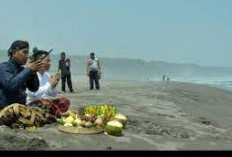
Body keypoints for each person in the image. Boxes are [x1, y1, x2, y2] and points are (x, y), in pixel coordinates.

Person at [26, 48, 70, 117]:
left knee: (65, 101)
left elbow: (53, 94)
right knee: (46, 103)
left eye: (50, 61)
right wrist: (50, 84)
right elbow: (35, 93)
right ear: (39, 62)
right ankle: (55, 113)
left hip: (44, 102)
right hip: (31, 103)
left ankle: (53, 112)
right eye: (48, 61)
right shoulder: (31, 74)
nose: (50, 63)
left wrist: (54, 85)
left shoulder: (47, 75)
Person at [0, 40, 43, 109]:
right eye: (24, 52)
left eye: (28, 53)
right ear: (14, 53)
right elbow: (11, 85)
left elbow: (34, 88)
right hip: (5, 110)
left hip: (20, 108)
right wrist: (28, 70)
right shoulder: (3, 67)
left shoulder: (23, 70)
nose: (27, 56)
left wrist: (33, 73)